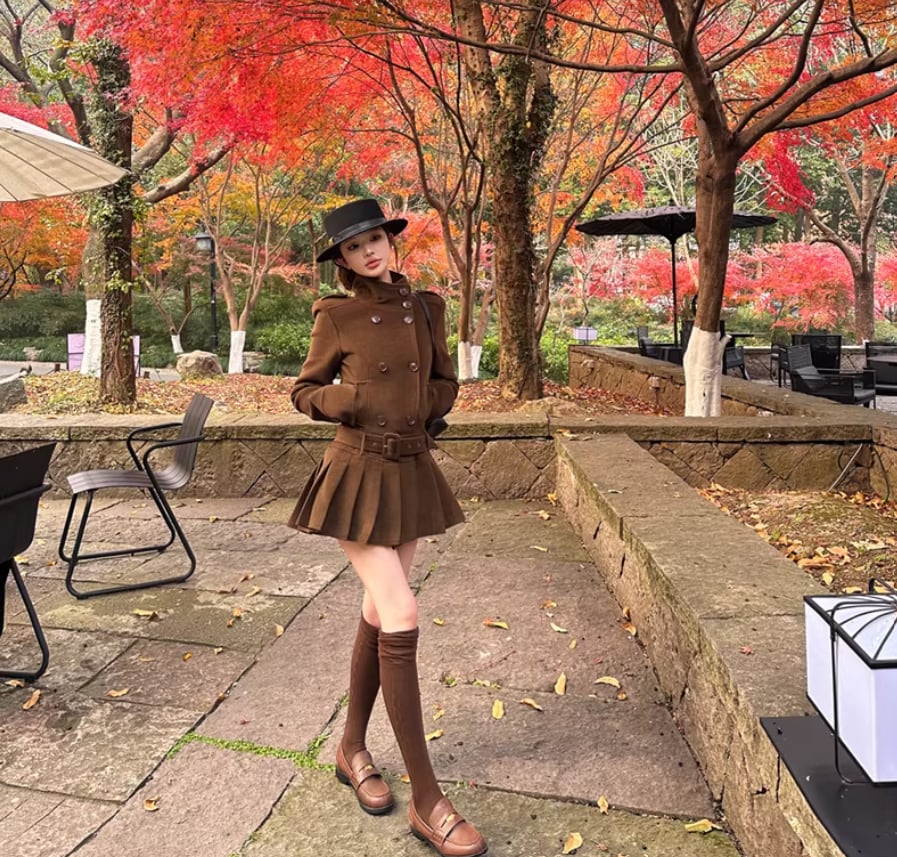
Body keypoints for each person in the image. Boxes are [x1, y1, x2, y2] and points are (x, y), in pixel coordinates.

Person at [288, 198, 487, 857]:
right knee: (401, 612)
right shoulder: (336, 314)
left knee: (379, 609)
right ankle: (428, 801)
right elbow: (303, 390)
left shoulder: (426, 307)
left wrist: (424, 404)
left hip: (411, 469)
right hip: (357, 473)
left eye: (374, 238)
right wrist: (349, 400)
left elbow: (445, 380)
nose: (368, 251)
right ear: (341, 260)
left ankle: (351, 747)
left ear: (389, 240)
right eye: (354, 246)